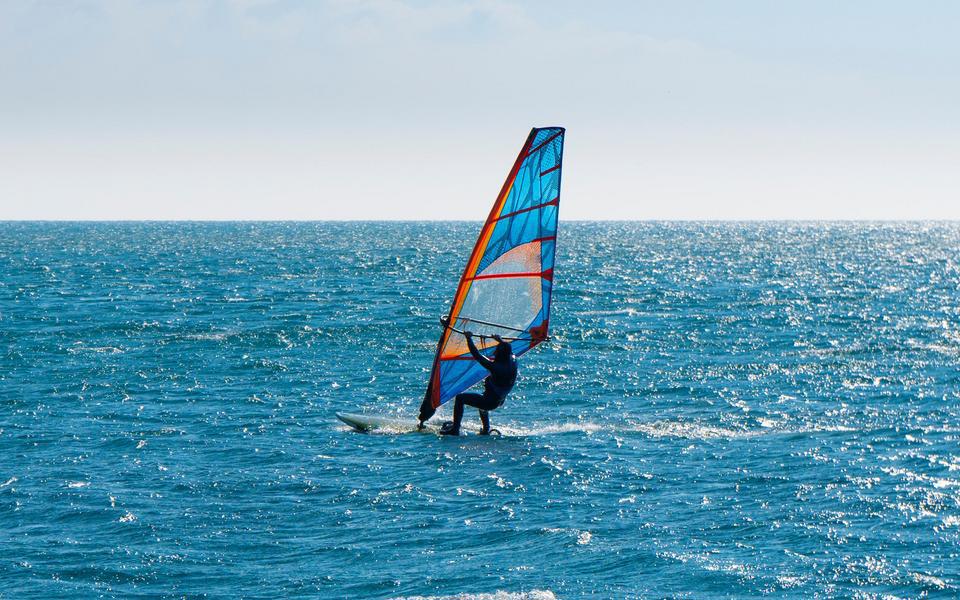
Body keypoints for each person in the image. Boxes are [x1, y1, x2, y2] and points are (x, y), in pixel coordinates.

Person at [439, 331, 517, 436]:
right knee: (483, 401)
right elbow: (508, 349)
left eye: (496, 351)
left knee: (460, 398)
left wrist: (468, 338)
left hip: (491, 401)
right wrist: (500, 341)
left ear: (500, 354)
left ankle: (455, 429)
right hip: (499, 399)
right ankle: (485, 430)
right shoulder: (513, 360)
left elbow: (476, 355)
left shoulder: (496, 368)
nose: (494, 353)